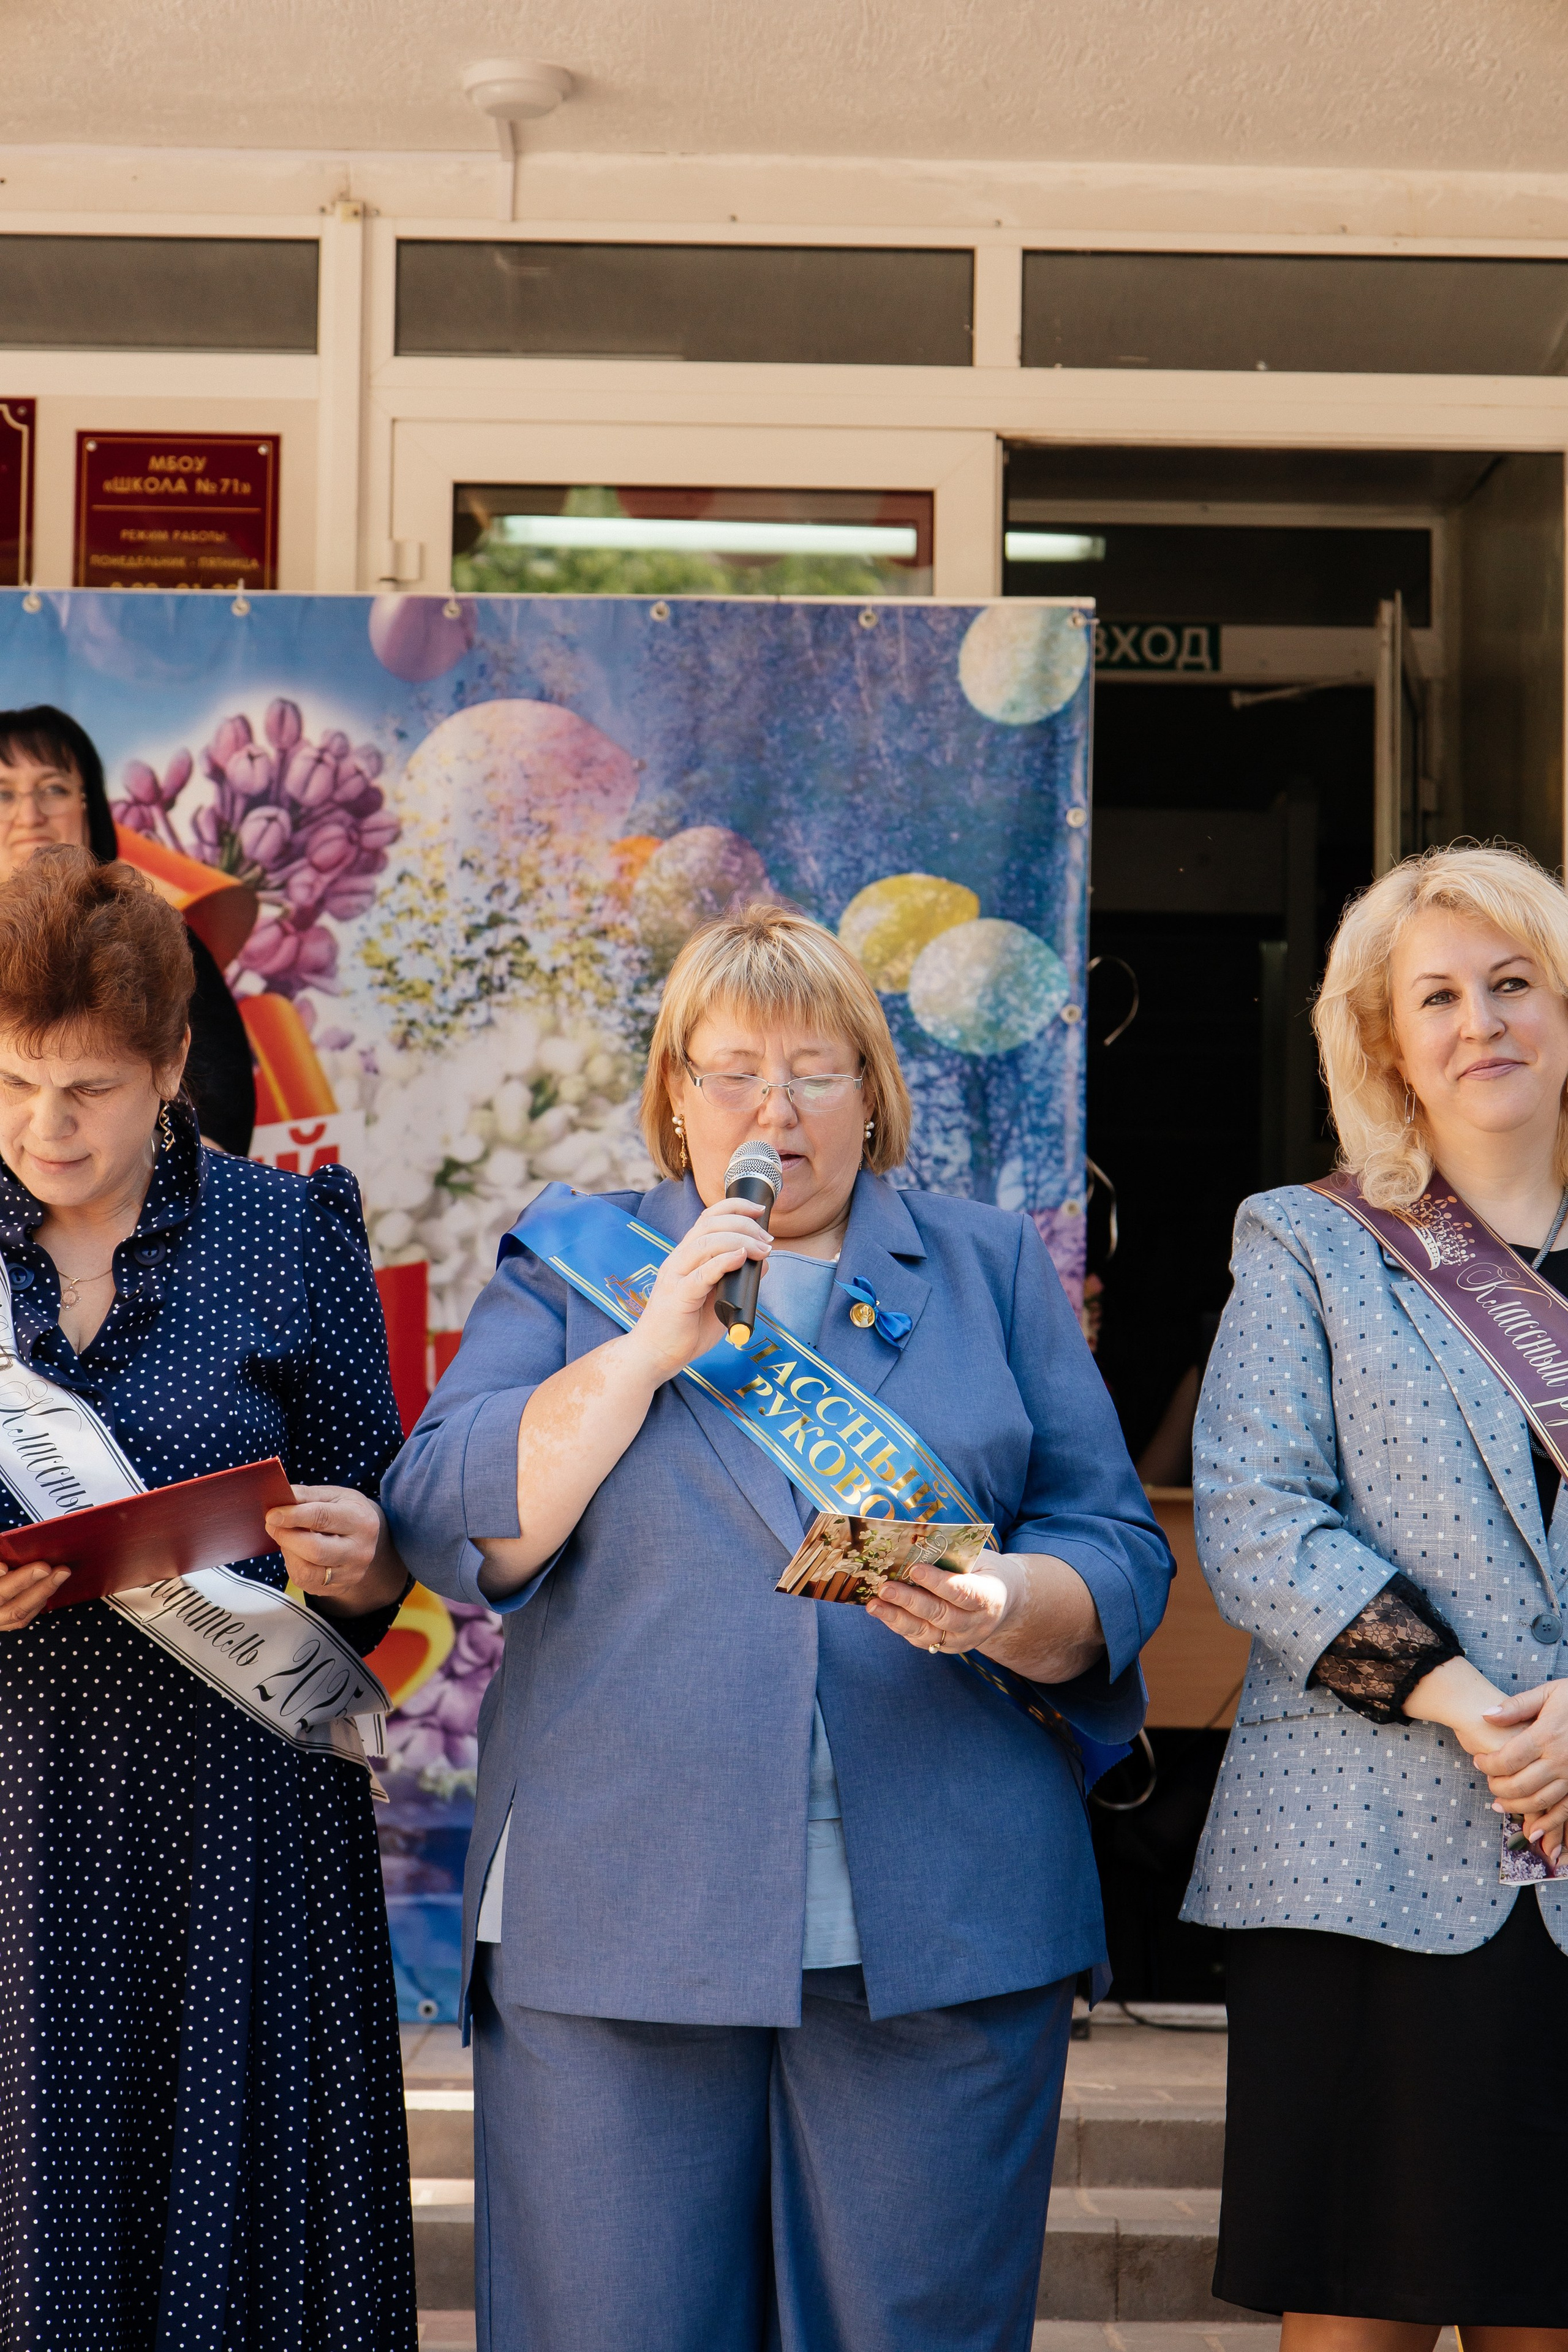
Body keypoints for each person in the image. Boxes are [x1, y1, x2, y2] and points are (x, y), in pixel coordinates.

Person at [383, 903, 1174, 2352]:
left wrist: (1006, 1607)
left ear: (872, 1093)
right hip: (611, 1917)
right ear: (672, 1092)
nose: (772, 1107)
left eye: (813, 1069)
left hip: (938, 1924)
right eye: (732, 1068)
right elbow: (440, 1511)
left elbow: (1114, 1551)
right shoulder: (575, 1269)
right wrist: (638, 1356)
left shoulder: (989, 1265)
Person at [0, 846, 417, 2348]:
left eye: (91, 1089)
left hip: (243, 1818)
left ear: (175, 1062)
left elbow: (379, 1544)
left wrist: (361, 1554)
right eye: (17, 1081)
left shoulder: (287, 1233)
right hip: (22, 1820)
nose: (47, 1126)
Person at [1183, 843, 1568, 2346]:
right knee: (1355, 2322)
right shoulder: (1307, 1244)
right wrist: (1477, 1706)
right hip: (1357, 1867)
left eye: (1510, 982)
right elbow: (1257, 1512)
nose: (1479, 1021)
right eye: (1437, 995)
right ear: (1384, 1040)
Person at [0, 704, 255, 1153]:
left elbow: (219, 1100)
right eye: (3, 794)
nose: (29, 814)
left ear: (89, 807)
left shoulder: (148, 939)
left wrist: (161, 1207)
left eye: (53, 789)